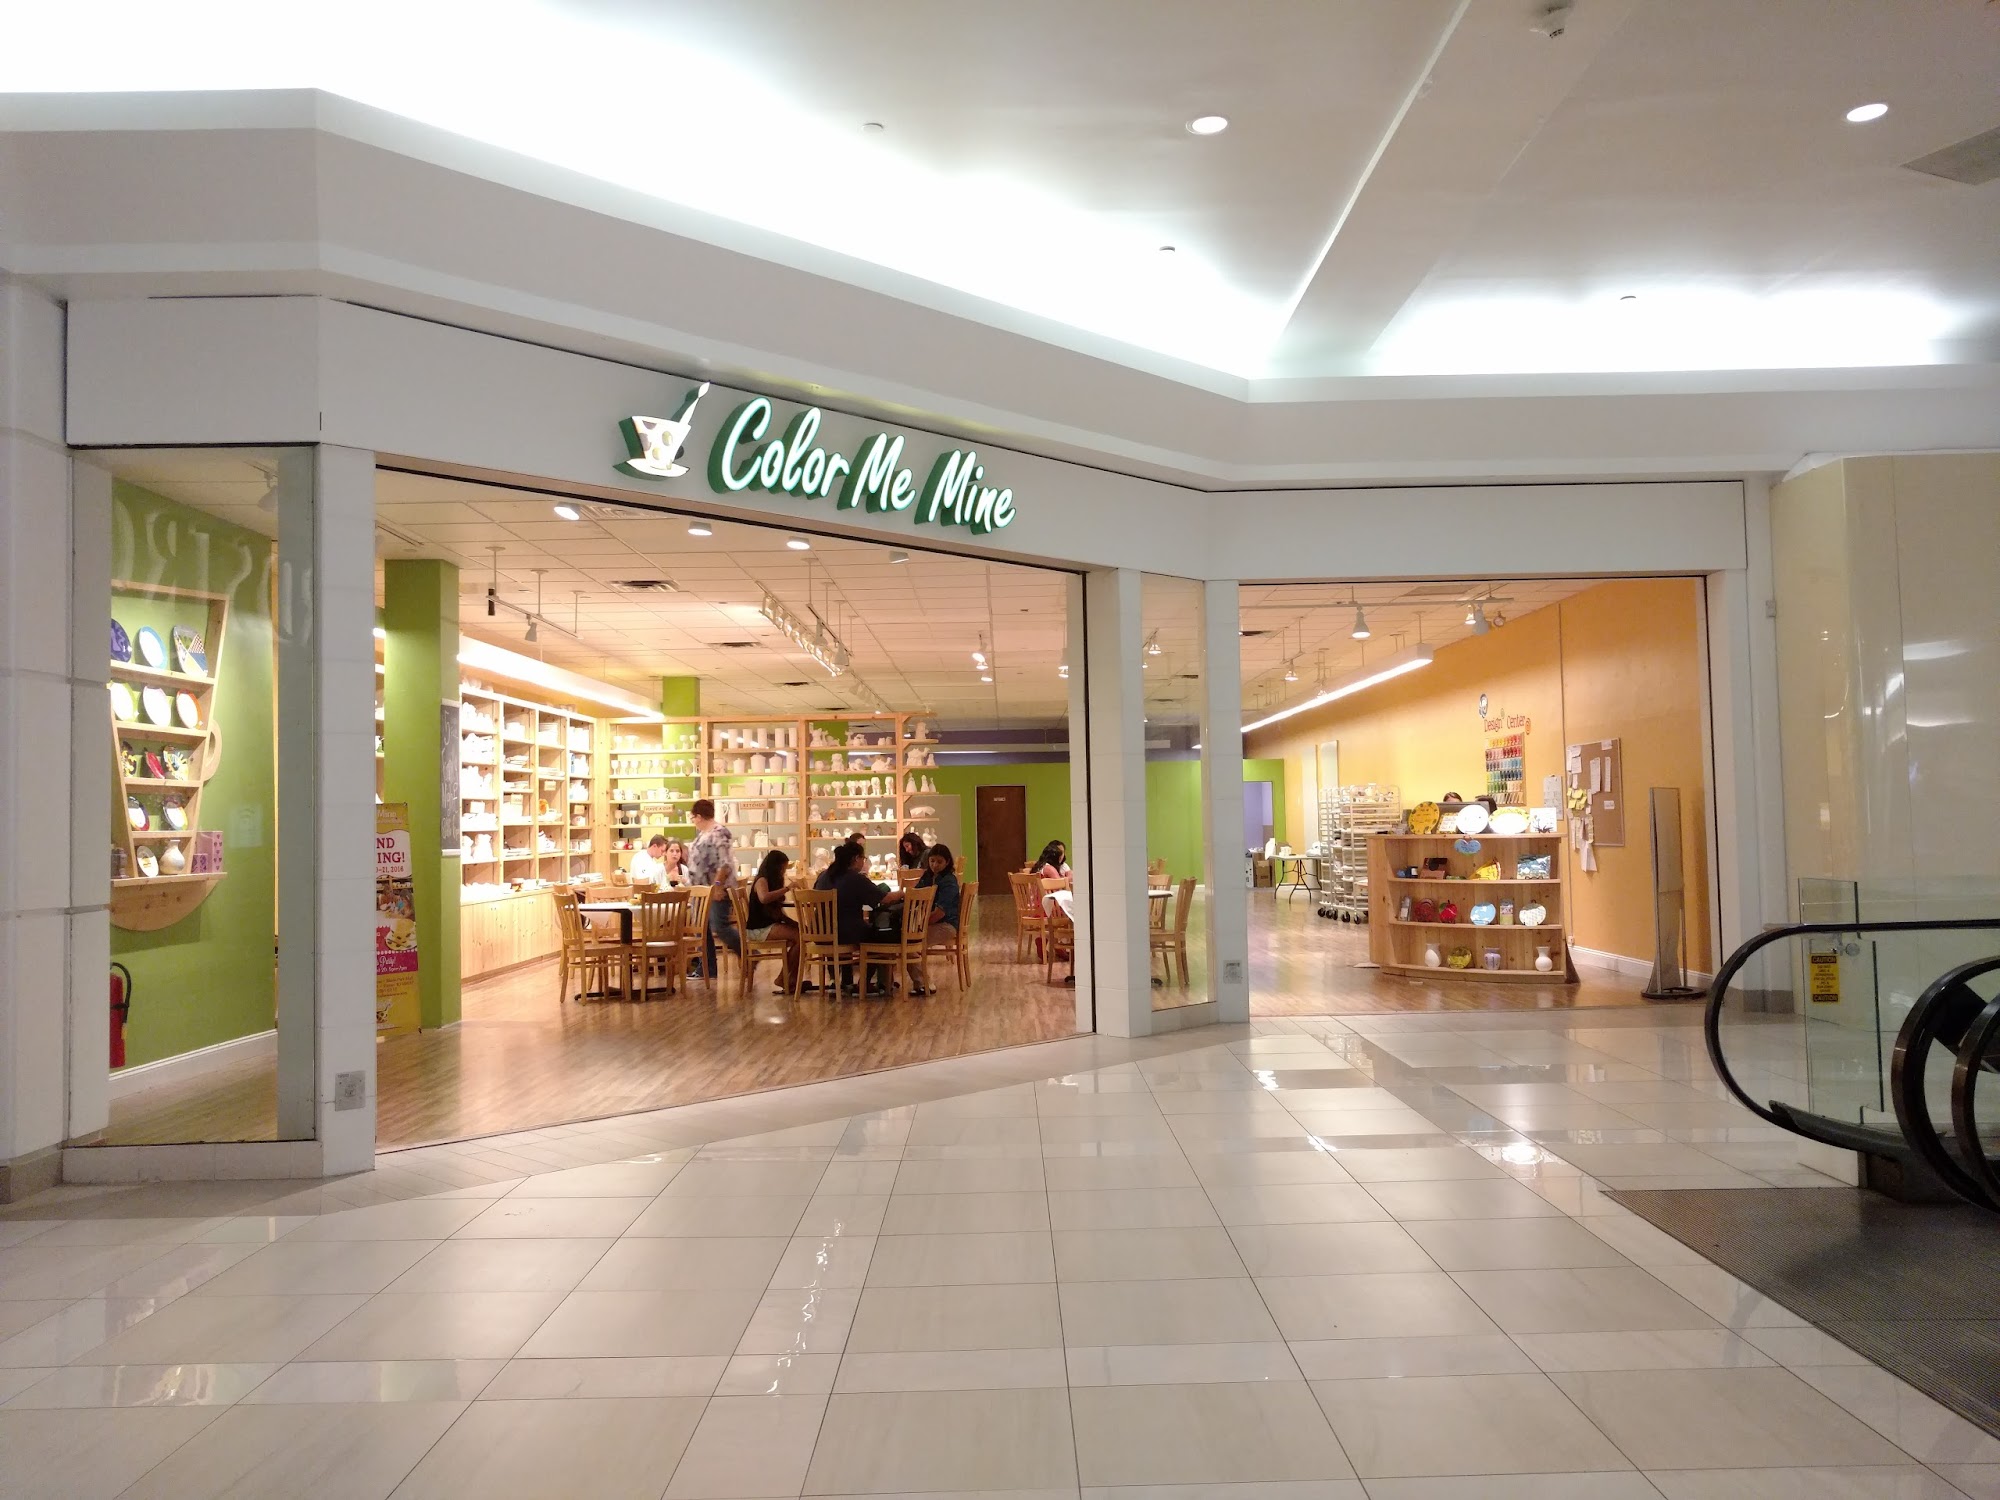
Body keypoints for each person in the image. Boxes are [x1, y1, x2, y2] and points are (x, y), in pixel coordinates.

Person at [831, 842, 902, 997]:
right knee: (880, 936)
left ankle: (841, 982)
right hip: (845, 933)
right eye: (863, 858)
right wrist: (903, 893)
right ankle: (867, 983)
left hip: (821, 933)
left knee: (863, 929)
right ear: (856, 858)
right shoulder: (855, 878)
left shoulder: (824, 876)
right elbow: (885, 898)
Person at [686, 798, 739, 975]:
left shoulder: (719, 832)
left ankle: (747, 951)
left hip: (715, 889)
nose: (693, 821)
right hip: (700, 891)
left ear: (699, 816)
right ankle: (706, 968)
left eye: (693, 818)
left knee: (720, 926)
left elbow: (725, 863)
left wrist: (717, 885)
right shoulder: (703, 834)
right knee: (701, 930)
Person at [744, 848, 799, 992]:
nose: (783, 872)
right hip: (759, 928)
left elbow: (777, 913)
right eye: (782, 869)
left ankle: (791, 979)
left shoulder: (772, 882)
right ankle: (784, 978)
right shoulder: (762, 880)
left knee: (801, 935)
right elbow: (764, 898)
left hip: (767, 924)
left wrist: (793, 923)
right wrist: (787, 889)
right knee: (799, 937)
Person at [912, 842, 961, 996]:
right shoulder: (927, 877)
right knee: (904, 939)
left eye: (939, 862)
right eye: (932, 861)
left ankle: (924, 983)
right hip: (929, 922)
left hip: (946, 925)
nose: (935, 865)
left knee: (911, 943)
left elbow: (940, 913)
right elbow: (915, 895)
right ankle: (919, 983)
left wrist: (919, 926)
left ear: (947, 862)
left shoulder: (949, 881)